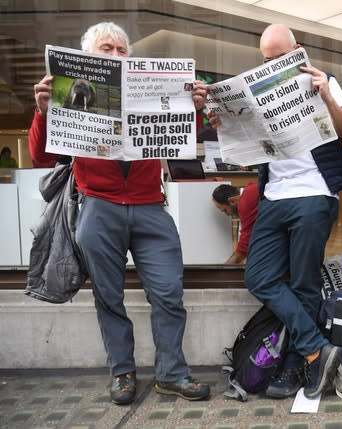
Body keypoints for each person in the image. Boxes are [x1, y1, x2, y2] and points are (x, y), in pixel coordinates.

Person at [29, 22, 210, 405]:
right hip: (98, 207)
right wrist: (44, 112)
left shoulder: (148, 88)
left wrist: (192, 110)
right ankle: (122, 373)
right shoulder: (75, 92)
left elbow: (182, 147)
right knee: (108, 298)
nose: (115, 55)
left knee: (169, 294)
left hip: (149, 208)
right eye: (106, 49)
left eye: (122, 50)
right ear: (88, 58)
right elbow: (42, 157)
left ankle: (171, 373)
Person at [210, 23, 342, 399]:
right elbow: (246, 150)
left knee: (304, 282)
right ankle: (314, 346)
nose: (273, 64)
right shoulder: (256, 89)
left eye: (280, 58)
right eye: (266, 60)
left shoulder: (323, 80)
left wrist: (325, 97)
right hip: (273, 195)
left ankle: (293, 365)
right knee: (259, 276)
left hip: (314, 193)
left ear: (297, 50)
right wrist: (226, 126)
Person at [212, 182, 259, 264]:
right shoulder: (250, 189)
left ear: (232, 201)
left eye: (225, 210)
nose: (227, 214)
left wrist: (222, 271)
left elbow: (243, 248)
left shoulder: (245, 202)